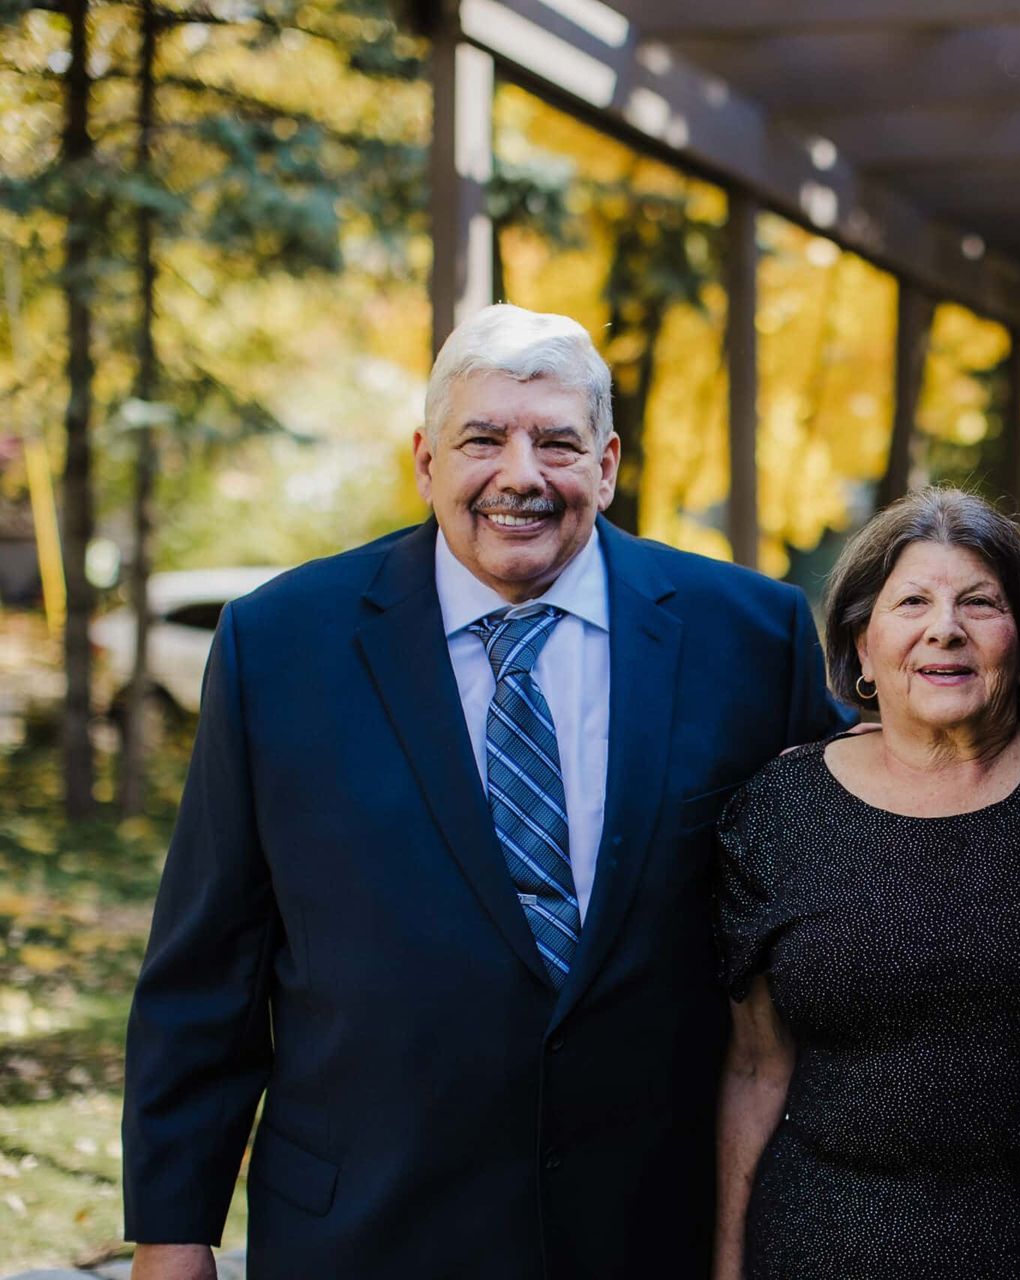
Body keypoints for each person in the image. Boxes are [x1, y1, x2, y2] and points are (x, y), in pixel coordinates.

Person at [121, 303, 848, 1280]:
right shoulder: (280, 644)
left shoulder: (750, 637)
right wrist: (174, 1232)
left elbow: (829, 914)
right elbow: (209, 960)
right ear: (426, 461)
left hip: (649, 1227)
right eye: (483, 438)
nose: (521, 474)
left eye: (557, 441)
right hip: (365, 1228)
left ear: (608, 464)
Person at [712, 487, 1020, 1280]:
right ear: (863, 648)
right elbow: (755, 1067)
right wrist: (728, 1263)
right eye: (912, 602)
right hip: (825, 1244)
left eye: (980, 602)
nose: (946, 628)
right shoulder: (776, 813)